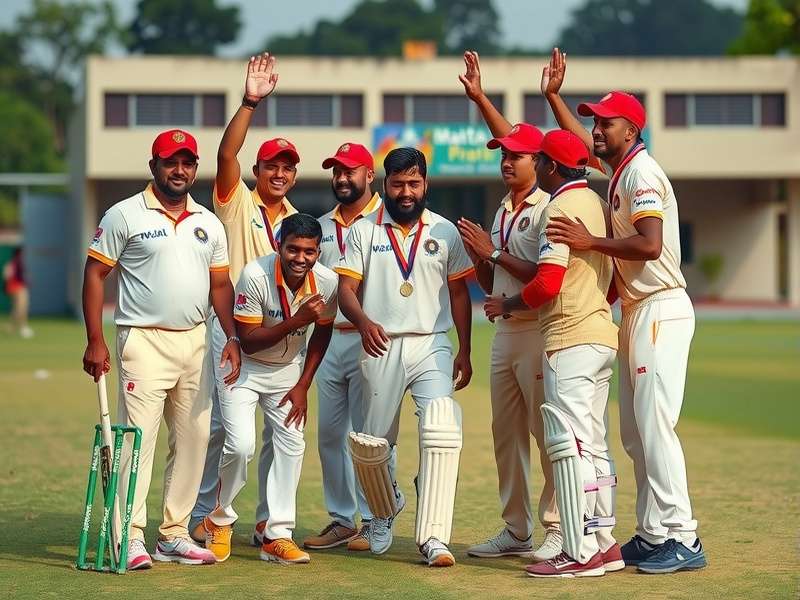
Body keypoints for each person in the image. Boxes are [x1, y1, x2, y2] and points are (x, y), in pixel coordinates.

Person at [541, 48, 706, 574]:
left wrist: (590, 239)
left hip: (660, 306)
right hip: (637, 312)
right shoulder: (620, 171)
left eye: (604, 123)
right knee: (635, 435)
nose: (595, 129)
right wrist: (553, 98)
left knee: (655, 428)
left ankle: (684, 536)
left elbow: (651, 244)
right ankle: (654, 533)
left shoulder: (641, 175)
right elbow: (576, 154)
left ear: (630, 131)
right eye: (593, 121)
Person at [81, 129, 241, 570]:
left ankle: (173, 534)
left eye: (188, 162)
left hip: (195, 340)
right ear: (154, 166)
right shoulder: (124, 214)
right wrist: (95, 340)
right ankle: (129, 536)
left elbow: (221, 285)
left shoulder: (208, 222)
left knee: (193, 441)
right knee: (137, 442)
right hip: (142, 339)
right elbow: (95, 275)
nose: (180, 170)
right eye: (171, 161)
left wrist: (230, 336)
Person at [486, 130, 622, 578]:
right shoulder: (598, 205)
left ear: (551, 167)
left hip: (569, 338)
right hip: (600, 331)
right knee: (594, 445)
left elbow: (547, 284)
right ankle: (604, 542)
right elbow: (615, 279)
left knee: (571, 447)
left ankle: (579, 552)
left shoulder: (560, 207)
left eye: (540, 160)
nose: (535, 166)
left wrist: (507, 303)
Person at [336, 147, 473, 567]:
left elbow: (458, 293)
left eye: (414, 183)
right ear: (384, 185)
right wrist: (362, 322)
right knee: (373, 444)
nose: (406, 192)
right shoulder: (364, 231)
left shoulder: (445, 231)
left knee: (440, 430)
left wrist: (465, 348)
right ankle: (383, 509)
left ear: (426, 184)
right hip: (379, 342)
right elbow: (345, 291)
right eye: (398, 184)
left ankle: (433, 537)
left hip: (431, 342)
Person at [191, 53, 302, 557]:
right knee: (223, 431)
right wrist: (250, 102)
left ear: (294, 176)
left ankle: (270, 528)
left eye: (286, 168)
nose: (278, 173)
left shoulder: (299, 224)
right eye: (270, 166)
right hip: (232, 329)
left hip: (278, 338)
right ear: (256, 171)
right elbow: (225, 156)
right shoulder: (236, 201)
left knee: (282, 437)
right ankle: (204, 518)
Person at [456, 50, 561, 562]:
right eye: (502, 154)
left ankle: (558, 528)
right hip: (506, 333)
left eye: (515, 155)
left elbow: (546, 278)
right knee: (506, 436)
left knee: (546, 434)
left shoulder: (548, 208)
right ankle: (515, 530)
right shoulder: (502, 209)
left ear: (538, 163)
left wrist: (491, 253)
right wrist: (482, 262)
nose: (506, 160)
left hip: (540, 330)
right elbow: (491, 275)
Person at [212, 213, 338, 565]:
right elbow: (249, 342)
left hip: (288, 372)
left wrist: (303, 383)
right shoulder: (255, 275)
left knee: (291, 446)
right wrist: (298, 320)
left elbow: (323, 333)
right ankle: (219, 519)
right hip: (243, 367)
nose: (301, 258)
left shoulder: (326, 282)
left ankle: (277, 534)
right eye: (293, 249)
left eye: (309, 252)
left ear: (318, 252)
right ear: (279, 246)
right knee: (240, 446)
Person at [303, 143, 381, 552]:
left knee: (370, 438)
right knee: (331, 436)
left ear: (370, 175)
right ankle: (341, 519)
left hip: (374, 343)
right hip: (330, 342)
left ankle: (373, 520)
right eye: (337, 171)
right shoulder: (319, 226)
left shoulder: (389, 220)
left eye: (351, 171)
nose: (342, 178)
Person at [3, 247, 33, 338]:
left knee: (19, 308)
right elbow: (7, 275)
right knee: (21, 308)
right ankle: (21, 327)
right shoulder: (14, 263)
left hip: (19, 287)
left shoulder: (19, 263)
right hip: (17, 287)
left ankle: (15, 326)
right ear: (18, 254)